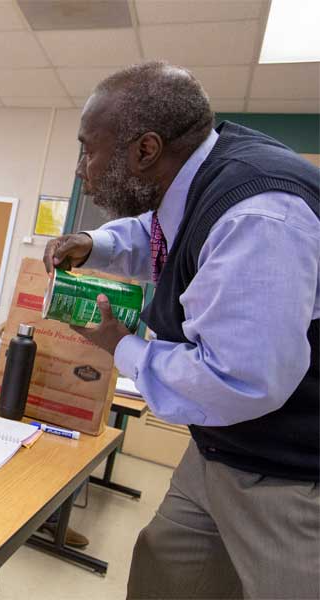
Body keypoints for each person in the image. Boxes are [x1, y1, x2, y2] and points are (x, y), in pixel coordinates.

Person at [44, 61, 318, 599]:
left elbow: (239, 381)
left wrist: (121, 346)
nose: (81, 169)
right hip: (218, 449)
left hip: (291, 472)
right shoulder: (200, 171)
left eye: (88, 149)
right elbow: (164, 229)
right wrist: (95, 243)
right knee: (163, 570)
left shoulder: (257, 218)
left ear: (145, 151)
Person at [0, 324, 89, 548]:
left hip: (24, 398)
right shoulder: (28, 322)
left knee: (81, 444)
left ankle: (49, 515)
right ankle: (31, 513)